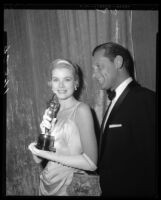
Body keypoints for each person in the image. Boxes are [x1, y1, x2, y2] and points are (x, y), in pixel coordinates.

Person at [92, 42, 157, 198]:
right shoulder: (115, 100)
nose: (94, 74)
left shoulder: (144, 99)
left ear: (118, 62)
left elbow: (152, 162)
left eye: (99, 66)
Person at [28, 59, 98, 196]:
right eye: (55, 80)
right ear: (50, 84)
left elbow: (91, 164)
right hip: (47, 184)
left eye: (67, 79)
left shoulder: (82, 110)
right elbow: (38, 159)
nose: (61, 85)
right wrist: (39, 141)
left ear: (76, 83)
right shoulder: (51, 111)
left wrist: (47, 154)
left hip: (74, 186)